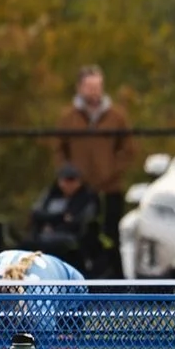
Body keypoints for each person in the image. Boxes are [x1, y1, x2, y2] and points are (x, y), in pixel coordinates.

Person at [56, 66, 134, 263]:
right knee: (81, 237)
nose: (94, 91)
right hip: (78, 192)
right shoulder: (68, 118)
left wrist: (112, 172)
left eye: (97, 87)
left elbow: (128, 149)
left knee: (111, 236)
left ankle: (114, 275)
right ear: (80, 88)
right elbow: (58, 149)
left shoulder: (116, 117)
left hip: (110, 190)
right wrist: (68, 176)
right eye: (90, 87)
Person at [27, 164, 103, 277]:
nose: (68, 184)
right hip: (43, 237)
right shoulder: (51, 195)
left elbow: (81, 221)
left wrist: (55, 223)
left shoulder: (87, 197)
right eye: (65, 180)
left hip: (72, 239)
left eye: (71, 180)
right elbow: (36, 213)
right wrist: (60, 217)